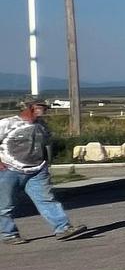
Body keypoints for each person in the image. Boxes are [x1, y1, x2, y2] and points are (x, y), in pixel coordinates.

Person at [2, 97, 87, 243]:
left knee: (47, 200)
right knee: (5, 204)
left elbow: (47, 143)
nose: (44, 109)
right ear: (28, 107)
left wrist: (47, 162)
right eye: (40, 106)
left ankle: (63, 228)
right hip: (9, 170)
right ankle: (9, 234)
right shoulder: (7, 123)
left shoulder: (42, 125)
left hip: (37, 170)